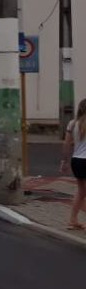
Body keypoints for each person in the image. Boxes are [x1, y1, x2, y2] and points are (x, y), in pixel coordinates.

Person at [60, 98, 86, 230]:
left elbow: (66, 144)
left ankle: (73, 220)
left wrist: (64, 161)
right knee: (83, 192)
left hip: (76, 161)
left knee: (81, 192)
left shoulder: (72, 124)